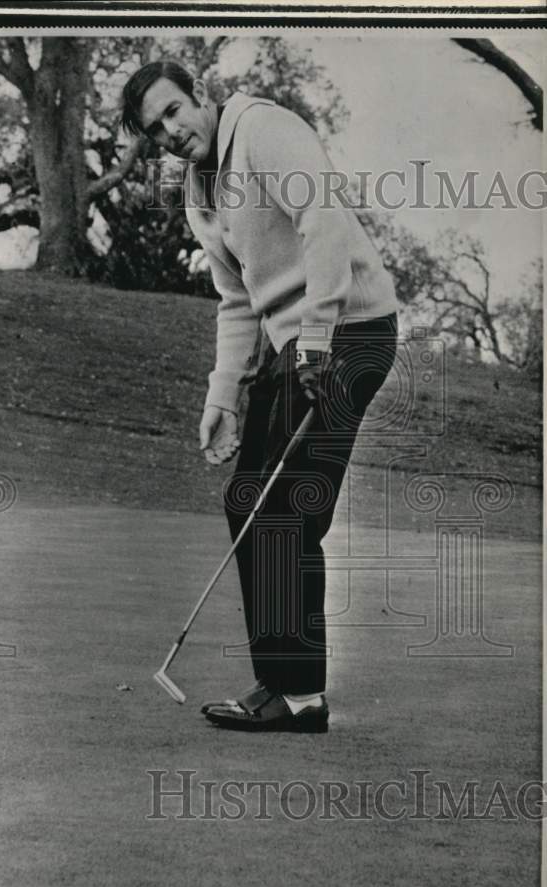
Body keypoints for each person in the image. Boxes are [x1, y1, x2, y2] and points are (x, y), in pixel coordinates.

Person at [122, 61, 398, 732]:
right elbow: (237, 301)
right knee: (248, 501)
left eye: (172, 111)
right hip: (292, 344)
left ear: (201, 97)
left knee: (289, 508)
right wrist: (221, 396)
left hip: (351, 333)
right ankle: (278, 682)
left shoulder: (264, 130)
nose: (170, 131)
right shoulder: (198, 191)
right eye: (155, 130)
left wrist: (315, 338)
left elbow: (324, 222)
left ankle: (299, 695)